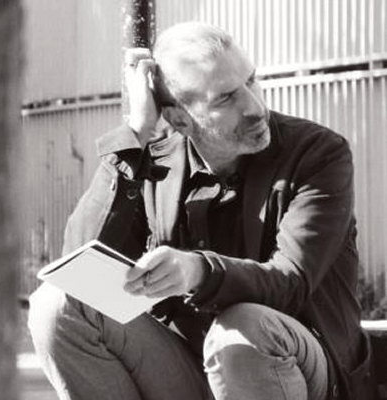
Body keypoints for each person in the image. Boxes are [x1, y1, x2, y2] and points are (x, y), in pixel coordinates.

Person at [26, 22, 374, 400]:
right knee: (57, 305)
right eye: (225, 99)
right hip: (189, 369)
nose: (254, 107)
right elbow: (79, 272)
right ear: (179, 119)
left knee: (242, 330)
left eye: (251, 81)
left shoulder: (317, 153)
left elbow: (291, 282)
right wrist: (136, 135)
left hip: (298, 368)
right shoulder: (155, 158)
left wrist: (198, 271)